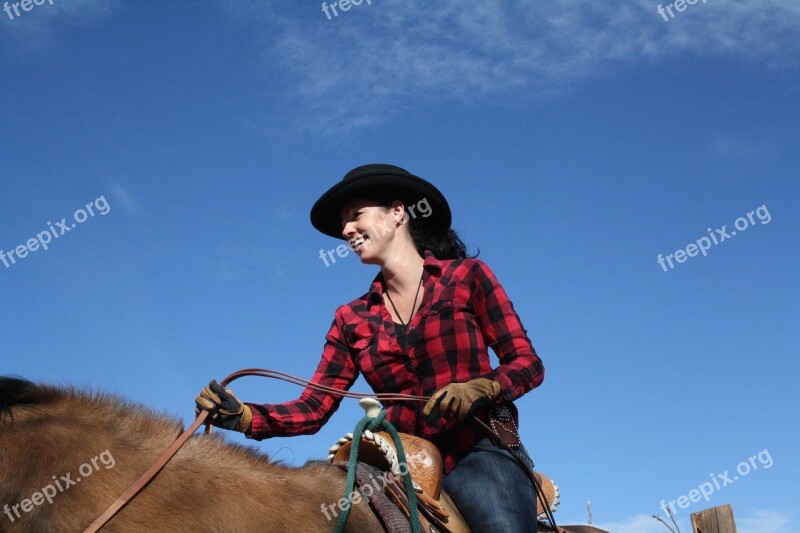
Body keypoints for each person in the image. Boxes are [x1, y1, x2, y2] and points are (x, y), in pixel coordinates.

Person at [196, 164, 545, 532]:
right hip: (393, 461)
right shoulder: (351, 318)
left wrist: (484, 387)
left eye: (355, 216)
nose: (346, 231)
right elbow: (313, 408)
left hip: (476, 449)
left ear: (397, 213)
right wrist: (246, 416)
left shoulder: (468, 277)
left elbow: (527, 362)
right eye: (344, 225)